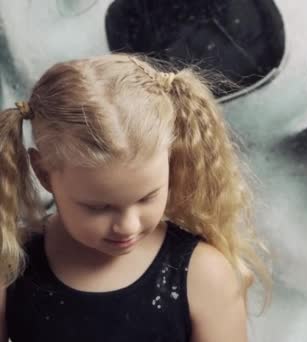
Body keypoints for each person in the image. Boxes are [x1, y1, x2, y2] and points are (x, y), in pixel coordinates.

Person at [0, 54, 269, 342]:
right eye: (99, 207)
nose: (127, 226)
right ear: (43, 173)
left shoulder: (204, 276)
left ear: (171, 162)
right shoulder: (10, 265)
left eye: (147, 197)